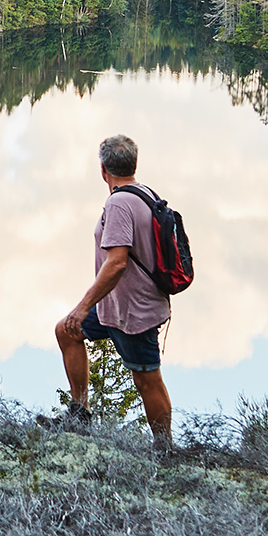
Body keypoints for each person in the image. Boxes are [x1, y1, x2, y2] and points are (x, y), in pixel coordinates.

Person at [53, 132, 172, 448]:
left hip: (133, 312)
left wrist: (82, 307)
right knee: (67, 332)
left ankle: (165, 447)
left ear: (103, 170)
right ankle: (80, 413)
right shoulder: (144, 193)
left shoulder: (119, 203)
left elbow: (117, 262)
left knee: (147, 379)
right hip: (115, 307)